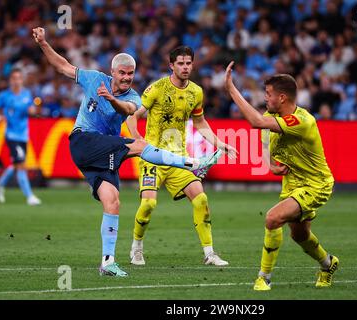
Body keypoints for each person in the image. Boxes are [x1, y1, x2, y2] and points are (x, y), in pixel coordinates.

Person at [32, 27, 220, 277]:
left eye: (130, 74)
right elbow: (63, 66)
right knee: (139, 145)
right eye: (122, 73)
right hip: (83, 141)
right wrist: (44, 43)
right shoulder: (93, 78)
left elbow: (128, 109)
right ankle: (192, 164)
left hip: (102, 153)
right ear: (112, 72)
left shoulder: (134, 96)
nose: (127, 78)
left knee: (113, 202)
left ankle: (107, 262)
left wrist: (111, 99)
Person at [224, 61, 339, 290]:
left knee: (272, 218)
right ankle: (328, 264)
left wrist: (231, 89)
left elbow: (256, 123)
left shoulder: (302, 121)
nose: (265, 99)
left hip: (316, 184)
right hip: (292, 183)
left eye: (268, 94)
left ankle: (264, 277)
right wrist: (270, 165)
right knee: (299, 235)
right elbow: (265, 142)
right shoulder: (271, 115)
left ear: (283, 98)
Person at [126, 46, 237, 267]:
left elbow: (200, 122)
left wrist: (219, 143)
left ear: (192, 65)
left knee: (201, 199)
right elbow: (132, 115)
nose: (185, 67)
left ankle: (209, 253)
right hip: (153, 158)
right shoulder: (156, 89)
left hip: (178, 159)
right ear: (171, 65)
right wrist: (139, 139)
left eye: (188, 63)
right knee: (148, 204)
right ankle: (136, 248)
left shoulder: (196, 92)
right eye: (180, 63)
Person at [0, 68, 42, 206]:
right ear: (10, 80)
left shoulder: (26, 94)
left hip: (23, 135)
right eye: (14, 78)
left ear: (22, 80)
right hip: (11, 135)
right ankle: (30, 196)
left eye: (19, 78)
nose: (16, 81)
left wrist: (33, 110)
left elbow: (31, 109)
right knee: (21, 165)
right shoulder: (4, 95)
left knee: (16, 163)